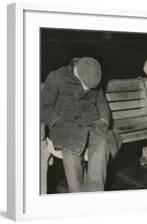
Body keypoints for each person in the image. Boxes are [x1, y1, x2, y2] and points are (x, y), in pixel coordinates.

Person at [41, 57, 111, 192]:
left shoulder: (93, 75)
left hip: (91, 124)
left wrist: (104, 121)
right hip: (65, 127)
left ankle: (95, 193)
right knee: (71, 151)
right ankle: (77, 195)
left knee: (102, 143)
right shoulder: (57, 77)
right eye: (85, 86)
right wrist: (57, 121)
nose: (87, 90)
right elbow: (44, 107)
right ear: (77, 72)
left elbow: (102, 104)